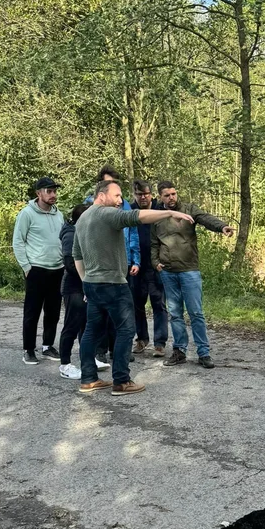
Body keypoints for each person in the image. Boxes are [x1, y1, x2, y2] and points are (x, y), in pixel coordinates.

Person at [73, 179, 194, 395]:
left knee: (91, 330)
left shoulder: (83, 218)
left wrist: (85, 281)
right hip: (113, 285)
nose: (121, 200)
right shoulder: (105, 213)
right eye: (117, 195)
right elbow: (136, 216)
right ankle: (121, 381)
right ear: (101, 195)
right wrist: (168, 213)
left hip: (92, 284)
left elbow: (77, 255)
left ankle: (88, 379)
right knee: (126, 329)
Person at [152, 180, 234, 369]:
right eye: (167, 195)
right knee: (175, 313)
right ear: (160, 197)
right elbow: (154, 243)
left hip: (189, 270)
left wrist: (221, 227)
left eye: (173, 194)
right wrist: (155, 263)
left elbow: (206, 218)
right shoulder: (157, 216)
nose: (171, 197)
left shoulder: (189, 209)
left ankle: (203, 353)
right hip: (168, 271)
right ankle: (179, 351)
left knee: (196, 313)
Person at [85, 165, 140, 364]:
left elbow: (132, 231)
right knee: (99, 316)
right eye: (108, 183)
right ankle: (101, 352)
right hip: (100, 268)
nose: (117, 196)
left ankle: (119, 350)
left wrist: (136, 260)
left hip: (121, 265)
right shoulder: (88, 207)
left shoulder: (123, 204)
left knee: (121, 313)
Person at [12, 176, 65, 365]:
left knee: (53, 311)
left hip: (57, 269)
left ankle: (47, 346)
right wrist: (26, 267)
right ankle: (28, 349)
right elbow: (18, 241)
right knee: (32, 312)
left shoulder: (58, 214)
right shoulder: (27, 214)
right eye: (49, 191)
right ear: (38, 193)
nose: (53, 195)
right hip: (36, 270)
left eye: (54, 191)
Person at [58, 204, 111, 380]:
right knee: (72, 326)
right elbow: (70, 262)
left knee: (86, 326)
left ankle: (87, 359)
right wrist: (89, 275)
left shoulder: (87, 231)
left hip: (87, 285)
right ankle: (64, 364)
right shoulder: (71, 234)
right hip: (74, 287)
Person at [131, 179, 168, 357]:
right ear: (134, 195)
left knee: (159, 304)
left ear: (151, 194)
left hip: (156, 265)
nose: (143, 197)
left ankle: (159, 343)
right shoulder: (129, 211)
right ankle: (141, 338)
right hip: (135, 265)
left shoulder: (160, 210)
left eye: (146, 194)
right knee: (136, 304)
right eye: (139, 194)